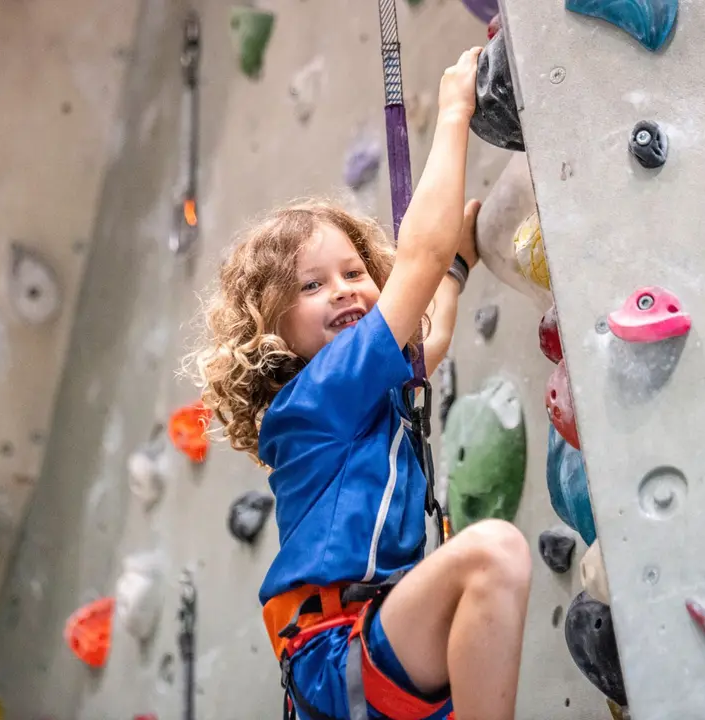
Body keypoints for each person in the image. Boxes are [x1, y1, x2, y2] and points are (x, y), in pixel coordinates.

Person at [186, 46, 531, 720]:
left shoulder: (363, 389)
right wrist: (457, 106)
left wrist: (456, 271)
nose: (343, 292)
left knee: (488, 561)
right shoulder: (317, 395)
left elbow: (427, 339)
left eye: (352, 273)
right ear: (273, 330)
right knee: (492, 553)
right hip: (336, 651)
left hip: (372, 643)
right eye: (311, 286)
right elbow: (420, 258)